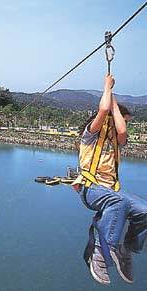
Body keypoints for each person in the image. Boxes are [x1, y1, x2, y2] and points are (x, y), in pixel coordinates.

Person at [72, 75, 147, 285]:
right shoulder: (90, 135)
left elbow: (122, 130)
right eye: (121, 118)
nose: (124, 125)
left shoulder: (117, 140)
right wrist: (108, 89)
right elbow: (104, 110)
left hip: (110, 191)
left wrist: (115, 104)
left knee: (144, 210)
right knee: (119, 201)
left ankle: (126, 249)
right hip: (91, 189)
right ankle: (101, 254)